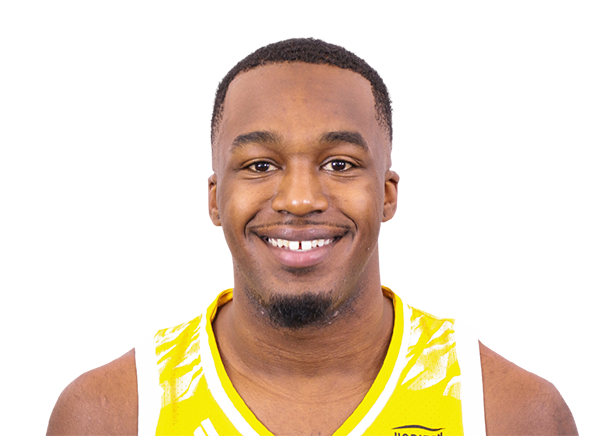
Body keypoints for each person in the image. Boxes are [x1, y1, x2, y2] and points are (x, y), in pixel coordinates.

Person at [47, 38, 577, 436]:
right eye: (260, 164)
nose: (299, 200)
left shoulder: (505, 413)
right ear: (214, 199)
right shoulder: (115, 414)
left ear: (387, 195)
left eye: (339, 163)